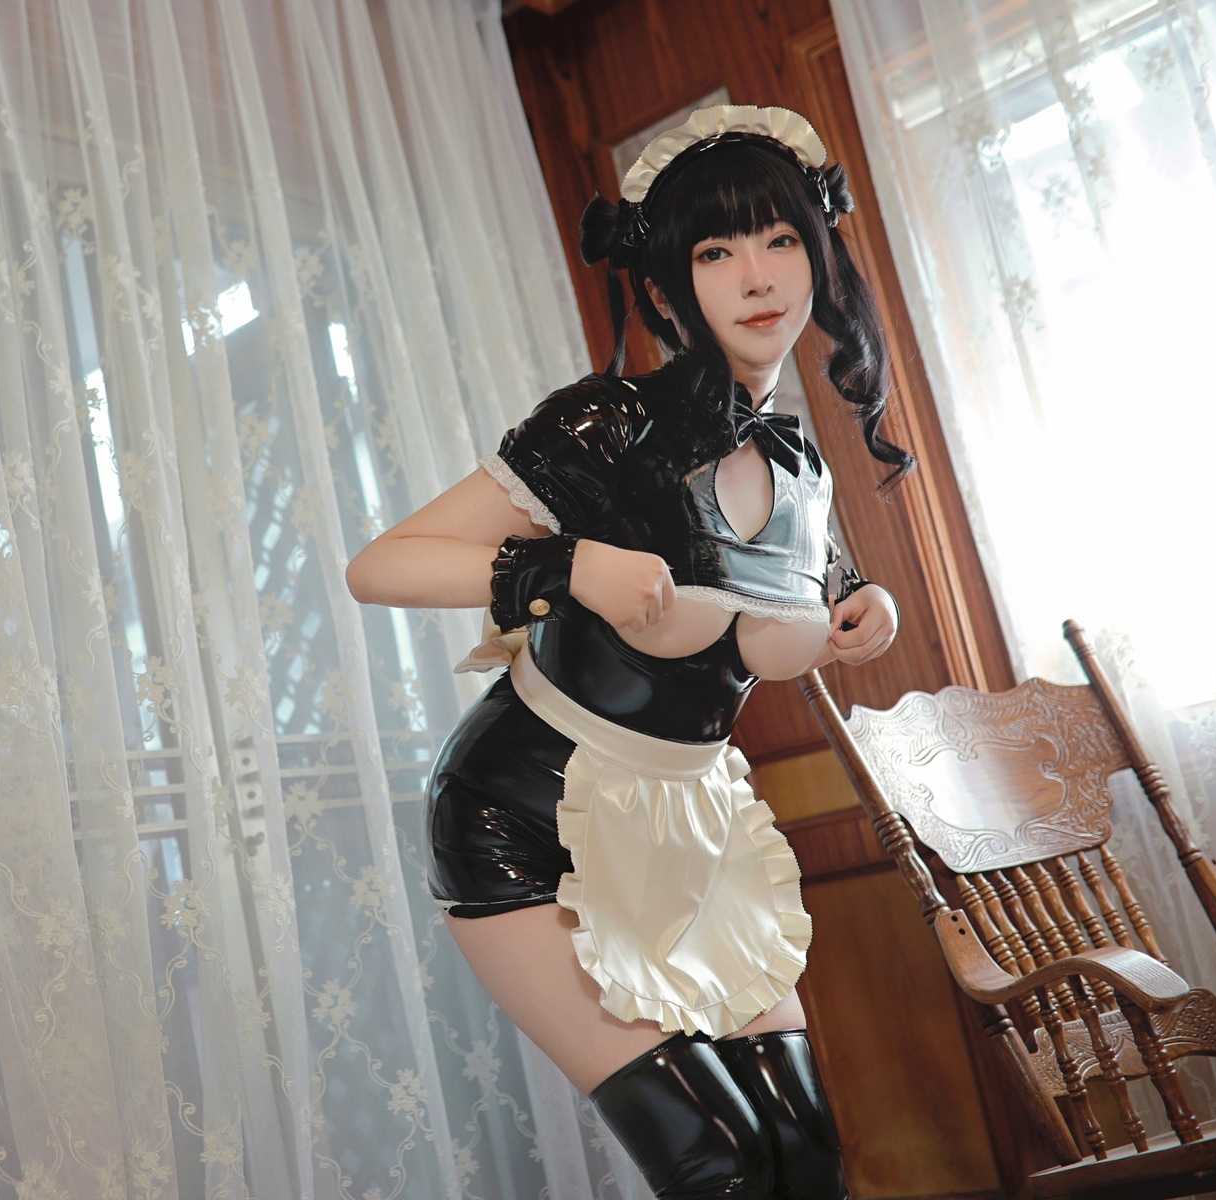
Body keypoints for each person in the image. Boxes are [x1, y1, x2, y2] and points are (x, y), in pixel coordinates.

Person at [345, 104, 915, 1199]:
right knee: (718, 1165)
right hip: (528, 821)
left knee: (805, 1158)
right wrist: (565, 565)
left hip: (694, 826)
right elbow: (381, 566)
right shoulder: (607, 423)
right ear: (667, 284)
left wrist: (863, 610)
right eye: (717, 252)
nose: (758, 276)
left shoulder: (797, 463)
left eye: (780, 240)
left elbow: (806, 588)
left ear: (817, 254)